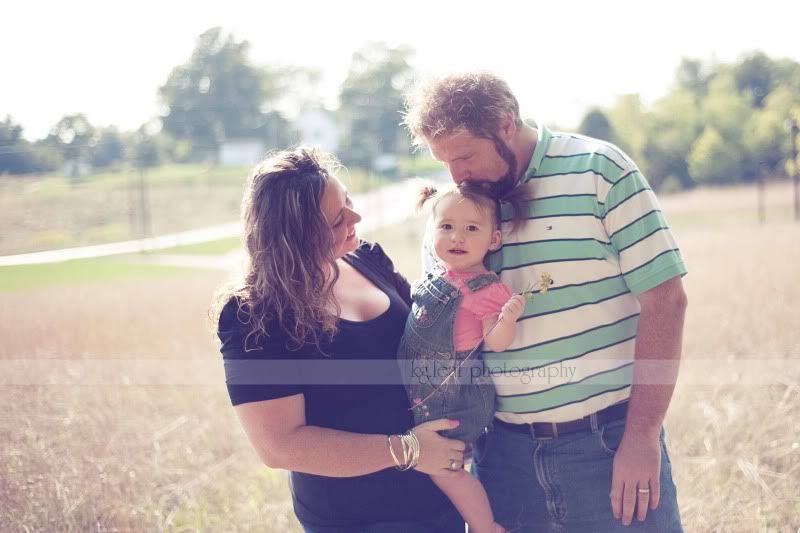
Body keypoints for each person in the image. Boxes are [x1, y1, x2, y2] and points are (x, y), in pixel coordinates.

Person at [403, 72, 688, 532]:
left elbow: (666, 302)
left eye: (466, 156)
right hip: (503, 461)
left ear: (506, 124)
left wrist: (641, 437)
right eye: (444, 162)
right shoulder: (452, 212)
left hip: (609, 446)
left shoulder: (600, 169)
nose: (457, 175)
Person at [214, 147, 468, 532]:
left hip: (439, 500)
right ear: (295, 237)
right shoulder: (253, 314)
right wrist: (411, 450)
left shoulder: (367, 258)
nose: (356, 217)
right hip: (355, 519)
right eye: (337, 219)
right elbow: (280, 446)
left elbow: (427, 329)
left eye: (348, 201)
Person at [399, 182, 527, 533]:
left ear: (494, 240)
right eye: (446, 226)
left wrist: (508, 318)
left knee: (446, 472)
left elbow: (495, 342)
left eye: (472, 228)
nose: (458, 237)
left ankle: (485, 527)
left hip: (451, 399)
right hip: (424, 389)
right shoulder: (439, 273)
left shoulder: (484, 288)